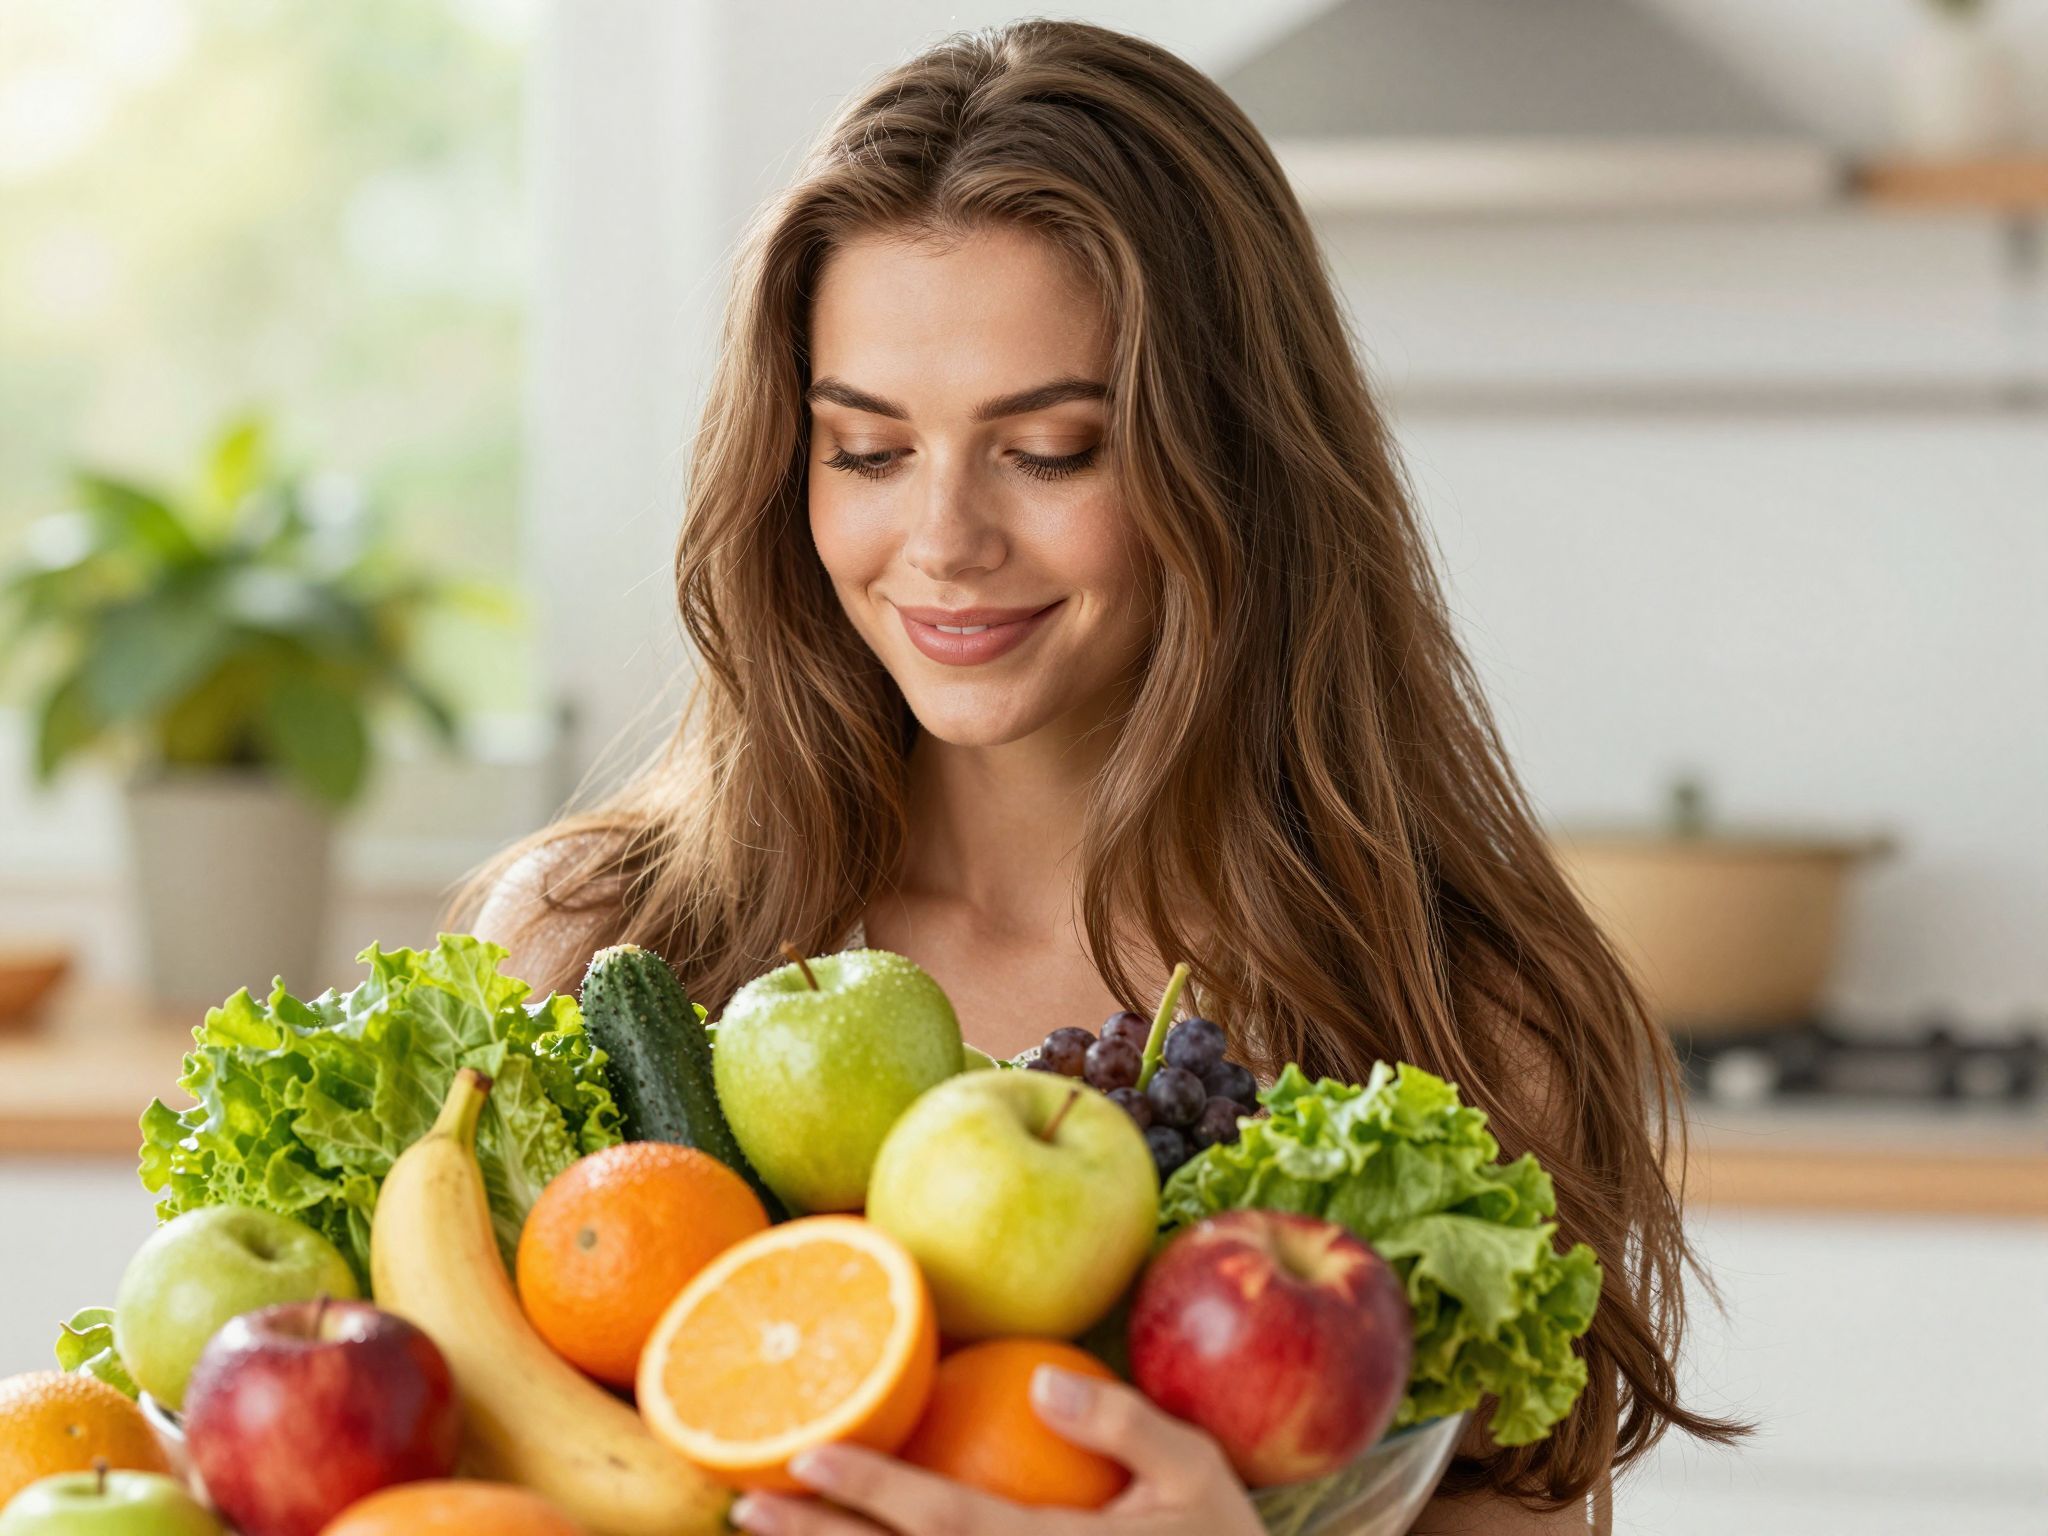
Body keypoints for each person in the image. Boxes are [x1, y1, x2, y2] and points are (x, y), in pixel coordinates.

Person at [451, 18, 1742, 1534]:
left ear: (1235, 459)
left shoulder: (1453, 1023)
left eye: (1050, 451)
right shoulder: (591, 950)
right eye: (866, 453)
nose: (942, 540)